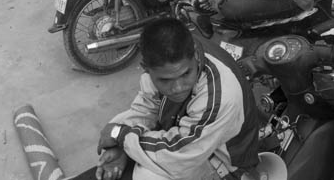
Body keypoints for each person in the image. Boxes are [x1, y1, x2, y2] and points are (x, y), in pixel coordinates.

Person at [95, 18, 260, 180]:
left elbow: (179, 153)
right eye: (165, 80)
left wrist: (122, 137)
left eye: (186, 74)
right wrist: (120, 145)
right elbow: (147, 105)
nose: (178, 87)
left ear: (195, 55)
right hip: (190, 134)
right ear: (146, 68)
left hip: (219, 158)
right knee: (116, 123)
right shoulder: (169, 51)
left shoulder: (220, 95)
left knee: (146, 176)